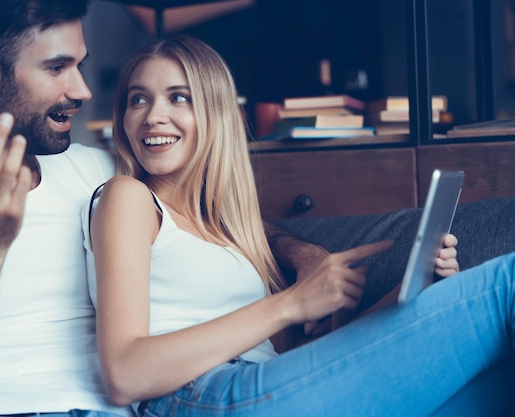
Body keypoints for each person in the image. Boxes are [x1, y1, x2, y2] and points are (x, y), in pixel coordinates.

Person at [0, 1, 335, 416]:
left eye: (78, 65)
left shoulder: (94, 168)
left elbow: (206, 225)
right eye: (57, 67)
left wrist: (303, 255)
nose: (82, 89)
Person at [87, 34, 513, 417]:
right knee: (505, 284)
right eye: (138, 99)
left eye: (178, 98)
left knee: (496, 377)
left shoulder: (227, 232)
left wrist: (413, 296)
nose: (152, 116)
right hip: (202, 398)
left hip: (266, 388)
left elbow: (300, 358)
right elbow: (126, 373)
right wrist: (292, 303)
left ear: (216, 114)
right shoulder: (128, 197)